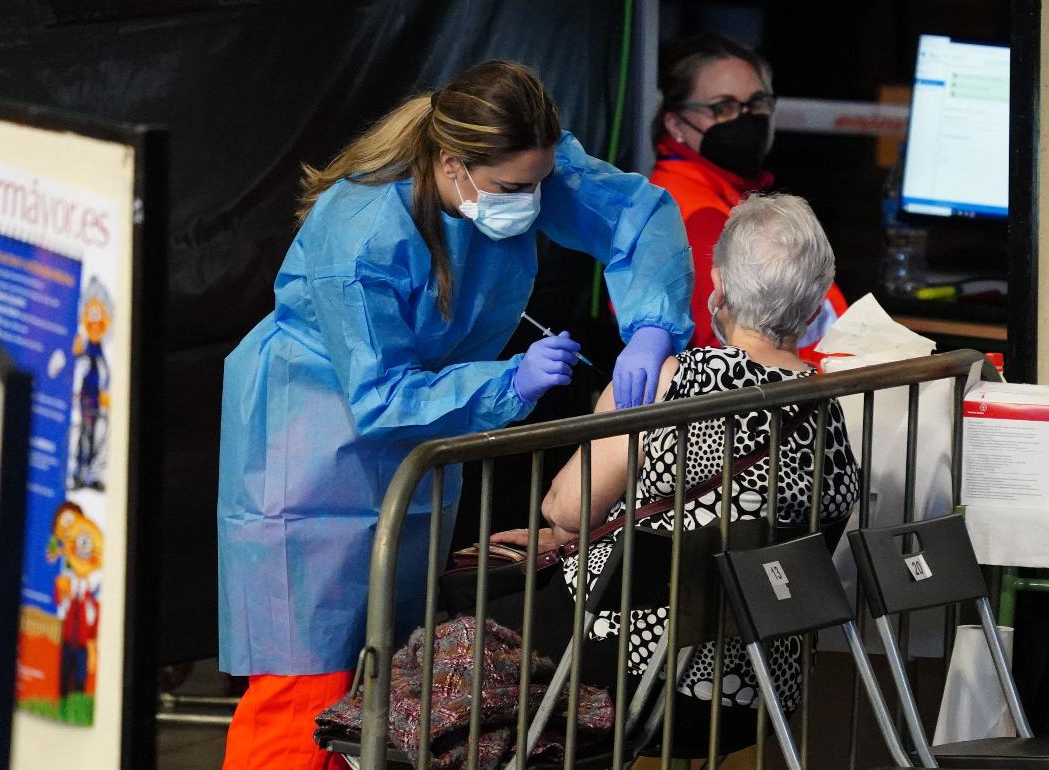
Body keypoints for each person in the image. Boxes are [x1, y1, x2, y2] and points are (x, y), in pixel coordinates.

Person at [217, 60, 693, 769]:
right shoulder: (360, 235)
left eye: (539, 183)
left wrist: (653, 324)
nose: (530, 203)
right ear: (451, 163)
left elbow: (633, 213)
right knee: (306, 680)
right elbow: (378, 397)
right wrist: (509, 383)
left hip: (425, 438)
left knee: (392, 680)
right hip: (308, 443)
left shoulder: (519, 168)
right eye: (513, 190)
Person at [492, 193, 860, 753]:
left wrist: (570, 531)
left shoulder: (669, 384)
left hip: (631, 678)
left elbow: (564, 508)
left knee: (459, 630)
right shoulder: (831, 409)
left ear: (716, 287)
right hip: (759, 695)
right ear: (814, 312)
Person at [650, 33, 848, 350]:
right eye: (723, 107)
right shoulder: (697, 216)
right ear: (675, 124)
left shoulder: (725, 195)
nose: (744, 118)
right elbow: (733, 352)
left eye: (756, 103)